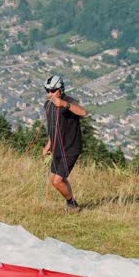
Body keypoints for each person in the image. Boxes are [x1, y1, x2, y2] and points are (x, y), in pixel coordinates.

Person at [41, 74, 87, 213]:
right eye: (47, 90)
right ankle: (72, 202)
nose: (50, 94)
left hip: (71, 147)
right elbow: (54, 127)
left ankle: (72, 205)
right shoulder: (48, 105)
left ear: (61, 89)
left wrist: (64, 105)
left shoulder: (69, 101)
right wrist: (49, 145)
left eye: (53, 90)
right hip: (57, 148)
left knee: (57, 181)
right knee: (54, 179)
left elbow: (83, 112)